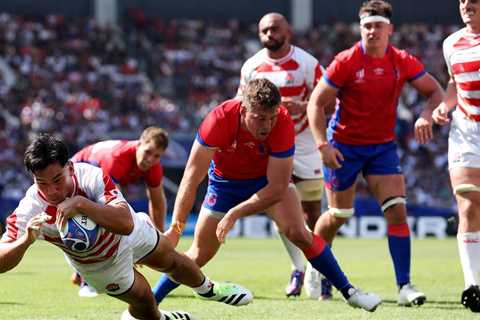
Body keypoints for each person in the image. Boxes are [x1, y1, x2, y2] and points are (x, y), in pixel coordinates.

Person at [152, 78, 382, 312]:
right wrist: (177, 228)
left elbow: (278, 188)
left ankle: (349, 292)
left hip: (265, 182)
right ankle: (149, 304)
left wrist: (234, 213)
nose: (267, 125)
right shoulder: (218, 120)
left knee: (299, 233)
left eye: (271, 117)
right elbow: (191, 178)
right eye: (260, 118)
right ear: (243, 109)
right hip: (224, 185)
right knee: (199, 255)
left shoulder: (282, 121)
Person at [0, 134, 252, 320]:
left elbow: (125, 223)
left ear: (70, 167)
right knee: (144, 300)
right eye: (42, 183)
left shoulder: (91, 176)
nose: (52, 191)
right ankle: (162, 318)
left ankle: (208, 289)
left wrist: (80, 203)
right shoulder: (31, 208)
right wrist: (25, 242)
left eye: (57, 180)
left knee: (170, 256)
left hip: (126, 233)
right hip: (98, 264)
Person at [307, 0, 444, 307]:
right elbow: (316, 103)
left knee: (397, 210)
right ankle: (316, 269)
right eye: (367, 26)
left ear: (389, 29)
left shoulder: (402, 61)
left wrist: (426, 114)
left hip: (382, 147)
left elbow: (435, 91)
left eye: (377, 25)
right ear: (361, 28)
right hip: (343, 146)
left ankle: (405, 286)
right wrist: (322, 146)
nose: (372, 31)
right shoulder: (346, 61)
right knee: (339, 215)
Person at [237, 12, 332, 299]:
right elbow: (241, 103)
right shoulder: (252, 66)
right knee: (279, 207)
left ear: (287, 31)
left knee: (313, 212)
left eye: (274, 29)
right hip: (272, 146)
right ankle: (298, 268)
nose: (269, 34)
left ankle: (321, 271)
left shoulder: (306, 62)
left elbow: (328, 98)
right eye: (264, 30)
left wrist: (302, 106)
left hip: (304, 142)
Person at [71, 126, 169, 297]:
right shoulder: (118, 158)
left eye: (157, 156)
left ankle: (81, 273)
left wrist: (160, 239)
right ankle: (87, 282)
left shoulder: (154, 166)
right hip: (76, 176)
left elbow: (158, 203)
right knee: (97, 222)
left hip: (97, 182)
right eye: (148, 152)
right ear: (139, 144)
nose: (150, 159)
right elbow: (111, 209)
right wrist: (130, 248)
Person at [432, 0, 480, 313]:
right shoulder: (452, 43)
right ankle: (473, 286)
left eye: (473, 1)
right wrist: (444, 106)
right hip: (466, 132)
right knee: (467, 203)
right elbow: (453, 84)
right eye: (462, 1)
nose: (466, 6)